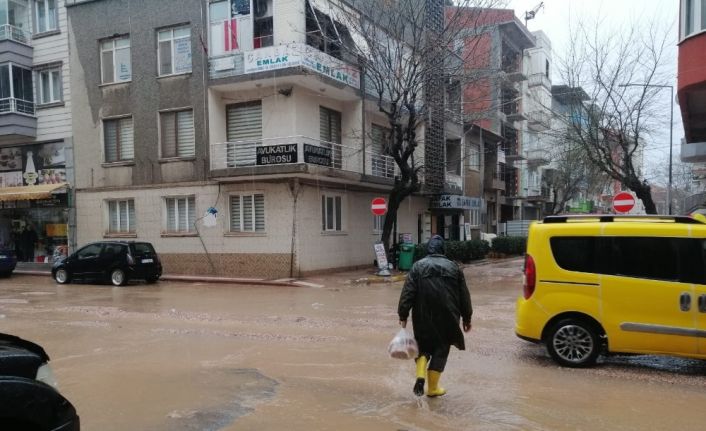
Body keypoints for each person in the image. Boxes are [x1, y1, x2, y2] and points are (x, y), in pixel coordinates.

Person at [398, 235, 472, 397]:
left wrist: (403, 314)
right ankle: (432, 388)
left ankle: (420, 376)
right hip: (448, 317)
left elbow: (407, 294)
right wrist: (467, 318)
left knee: (423, 347)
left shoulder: (417, 267)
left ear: (428, 249)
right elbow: (464, 296)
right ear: (443, 250)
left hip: (423, 316)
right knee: (441, 349)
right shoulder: (454, 268)